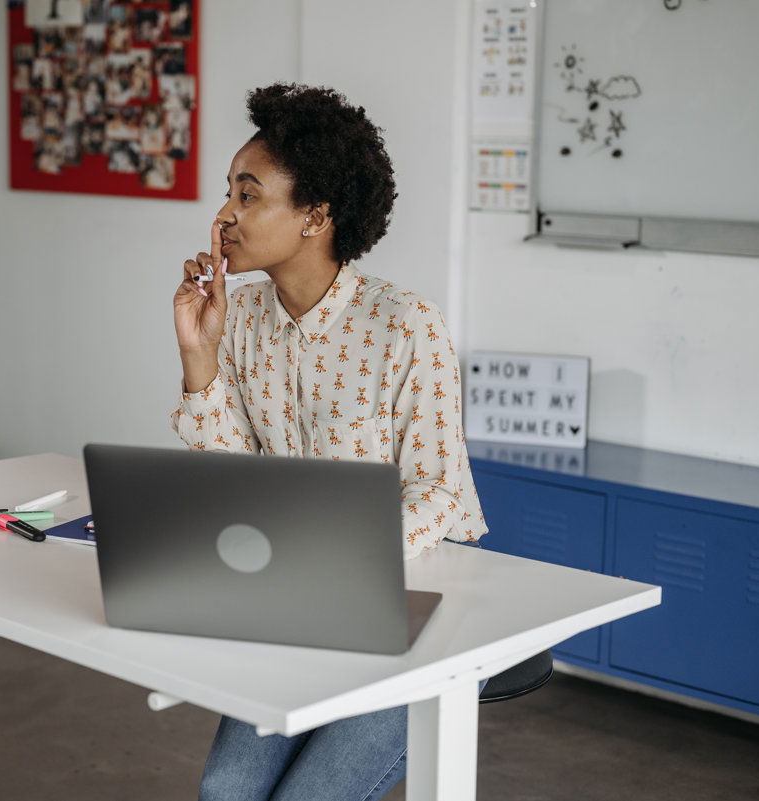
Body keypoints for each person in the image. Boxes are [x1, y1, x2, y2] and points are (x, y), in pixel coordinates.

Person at [169, 83, 488, 801]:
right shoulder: (240, 317)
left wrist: (330, 561)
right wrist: (199, 355)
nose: (223, 216)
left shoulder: (407, 324)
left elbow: (437, 491)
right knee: (226, 790)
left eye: (248, 196)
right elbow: (234, 480)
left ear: (315, 216)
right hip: (297, 603)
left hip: (416, 608)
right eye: (228, 193)